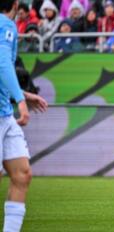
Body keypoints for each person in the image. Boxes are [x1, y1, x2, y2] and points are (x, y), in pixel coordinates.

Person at [0, 1, 48, 231]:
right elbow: (2, 64)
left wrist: (24, 94)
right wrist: (21, 100)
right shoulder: (6, 25)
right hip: (4, 113)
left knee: (22, 174)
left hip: (5, 115)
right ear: (16, 4)